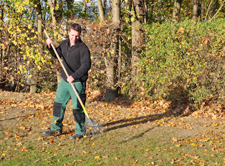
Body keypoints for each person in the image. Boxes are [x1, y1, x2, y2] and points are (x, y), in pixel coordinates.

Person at [43, 23, 91, 140]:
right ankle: (56, 128)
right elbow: (57, 54)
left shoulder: (83, 49)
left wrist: (74, 77)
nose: (74, 38)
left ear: (80, 35)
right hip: (65, 81)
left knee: (77, 107)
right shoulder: (64, 44)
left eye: (77, 36)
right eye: (72, 35)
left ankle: (80, 131)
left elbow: (86, 66)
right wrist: (49, 46)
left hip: (77, 82)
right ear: (68, 32)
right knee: (58, 104)